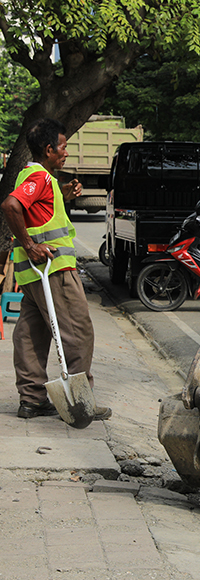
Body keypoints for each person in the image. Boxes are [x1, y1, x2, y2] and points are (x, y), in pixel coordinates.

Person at [1, 118, 111, 420]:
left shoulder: (37, 177)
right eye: (63, 147)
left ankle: (32, 399)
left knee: (30, 333)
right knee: (78, 331)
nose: (66, 152)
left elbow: (38, 211)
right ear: (49, 149)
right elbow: (11, 206)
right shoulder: (38, 179)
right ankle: (80, 403)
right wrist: (31, 245)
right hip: (54, 271)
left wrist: (63, 193)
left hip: (34, 275)